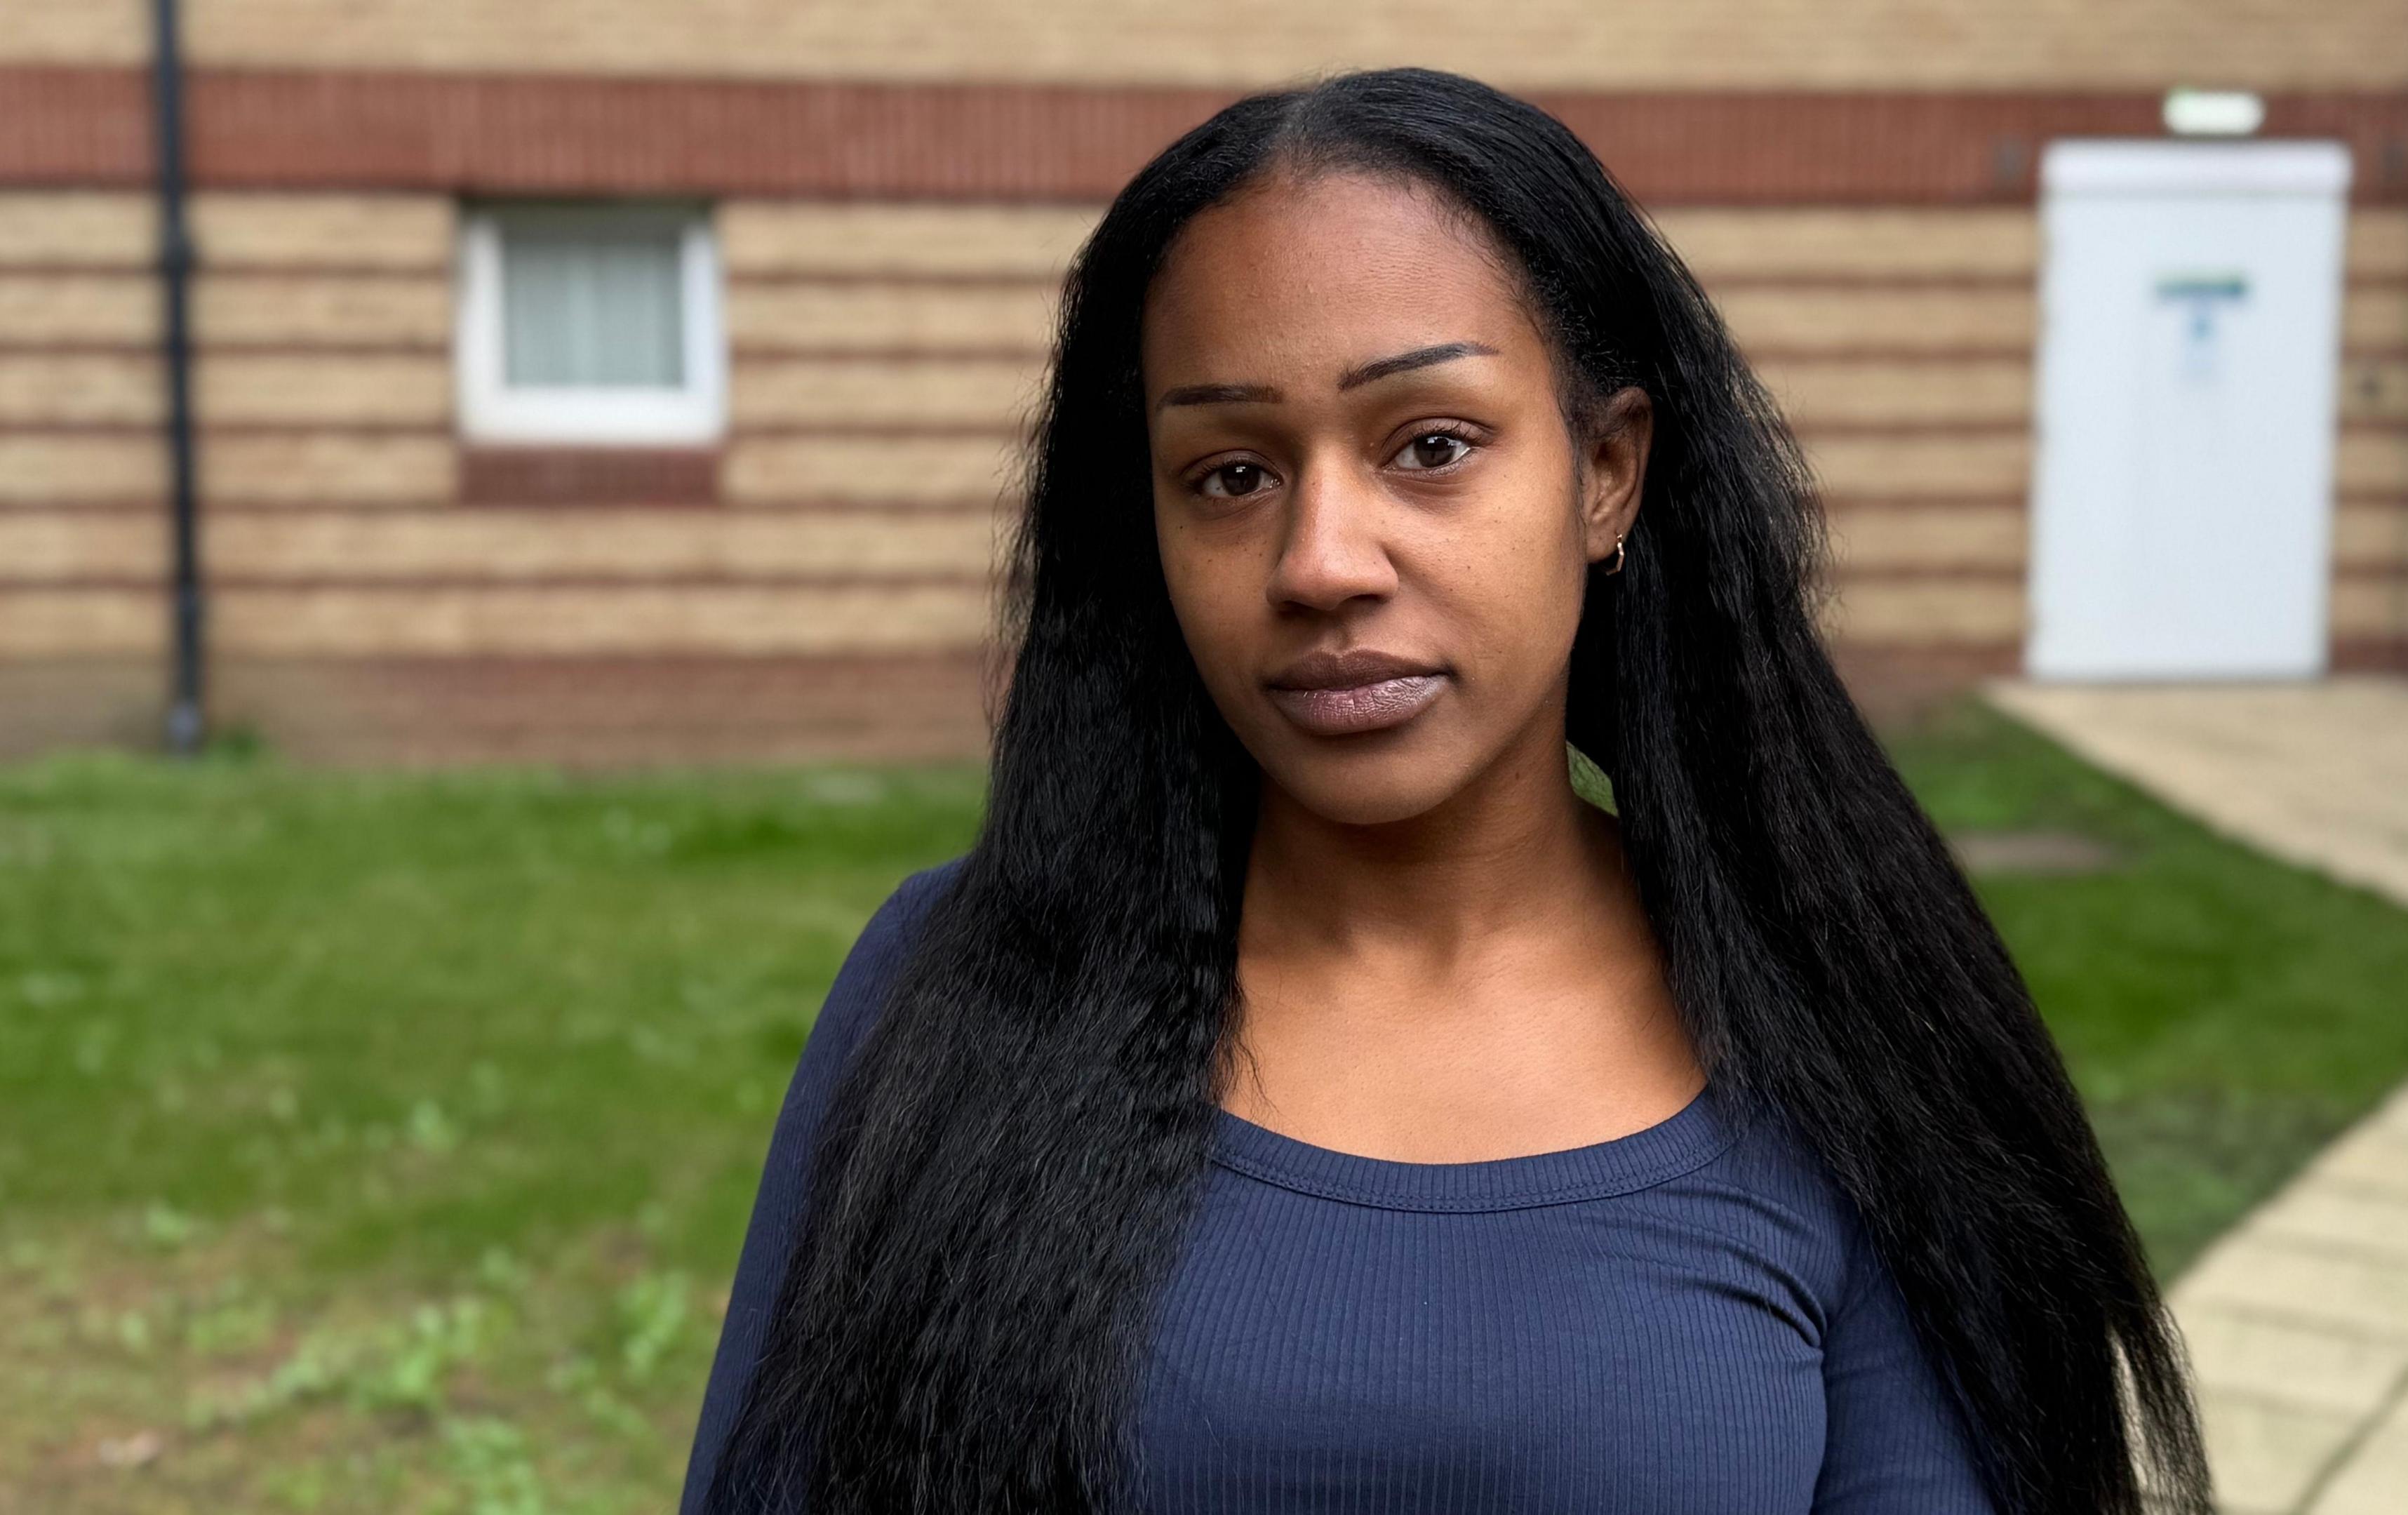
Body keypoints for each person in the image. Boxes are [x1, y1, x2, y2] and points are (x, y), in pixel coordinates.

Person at [681, 66, 2209, 1515]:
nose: (1323, 562)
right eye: (1230, 474)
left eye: (1430, 445)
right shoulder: (961, 990)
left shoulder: (1842, 1025)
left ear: (1607, 471)